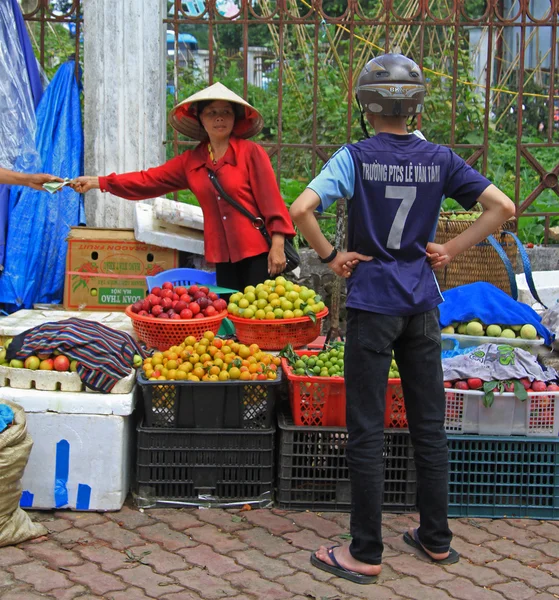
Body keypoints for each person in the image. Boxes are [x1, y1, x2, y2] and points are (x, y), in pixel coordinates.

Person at [289, 53, 515, 585]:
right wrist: (450, 249)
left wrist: (329, 256)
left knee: (368, 429)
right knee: (429, 426)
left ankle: (364, 552)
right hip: (421, 304)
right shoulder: (439, 158)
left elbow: (301, 210)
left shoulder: (354, 157)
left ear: (366, 105)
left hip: (372, 305)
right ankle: (436, 540)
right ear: (415, 105)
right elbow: (502, 207)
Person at [71, 82, 295, 291]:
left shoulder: (250, 153)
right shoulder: (191, 161)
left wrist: (277, 246)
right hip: (222, 255)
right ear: (201, 119)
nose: (219, 118)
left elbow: (272, 203)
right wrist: (98, 182)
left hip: (258, 252)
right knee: (230, 315)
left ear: (235, 118)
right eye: (212, 113)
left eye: (226, 112)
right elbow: (148, 180)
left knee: (258, 316)